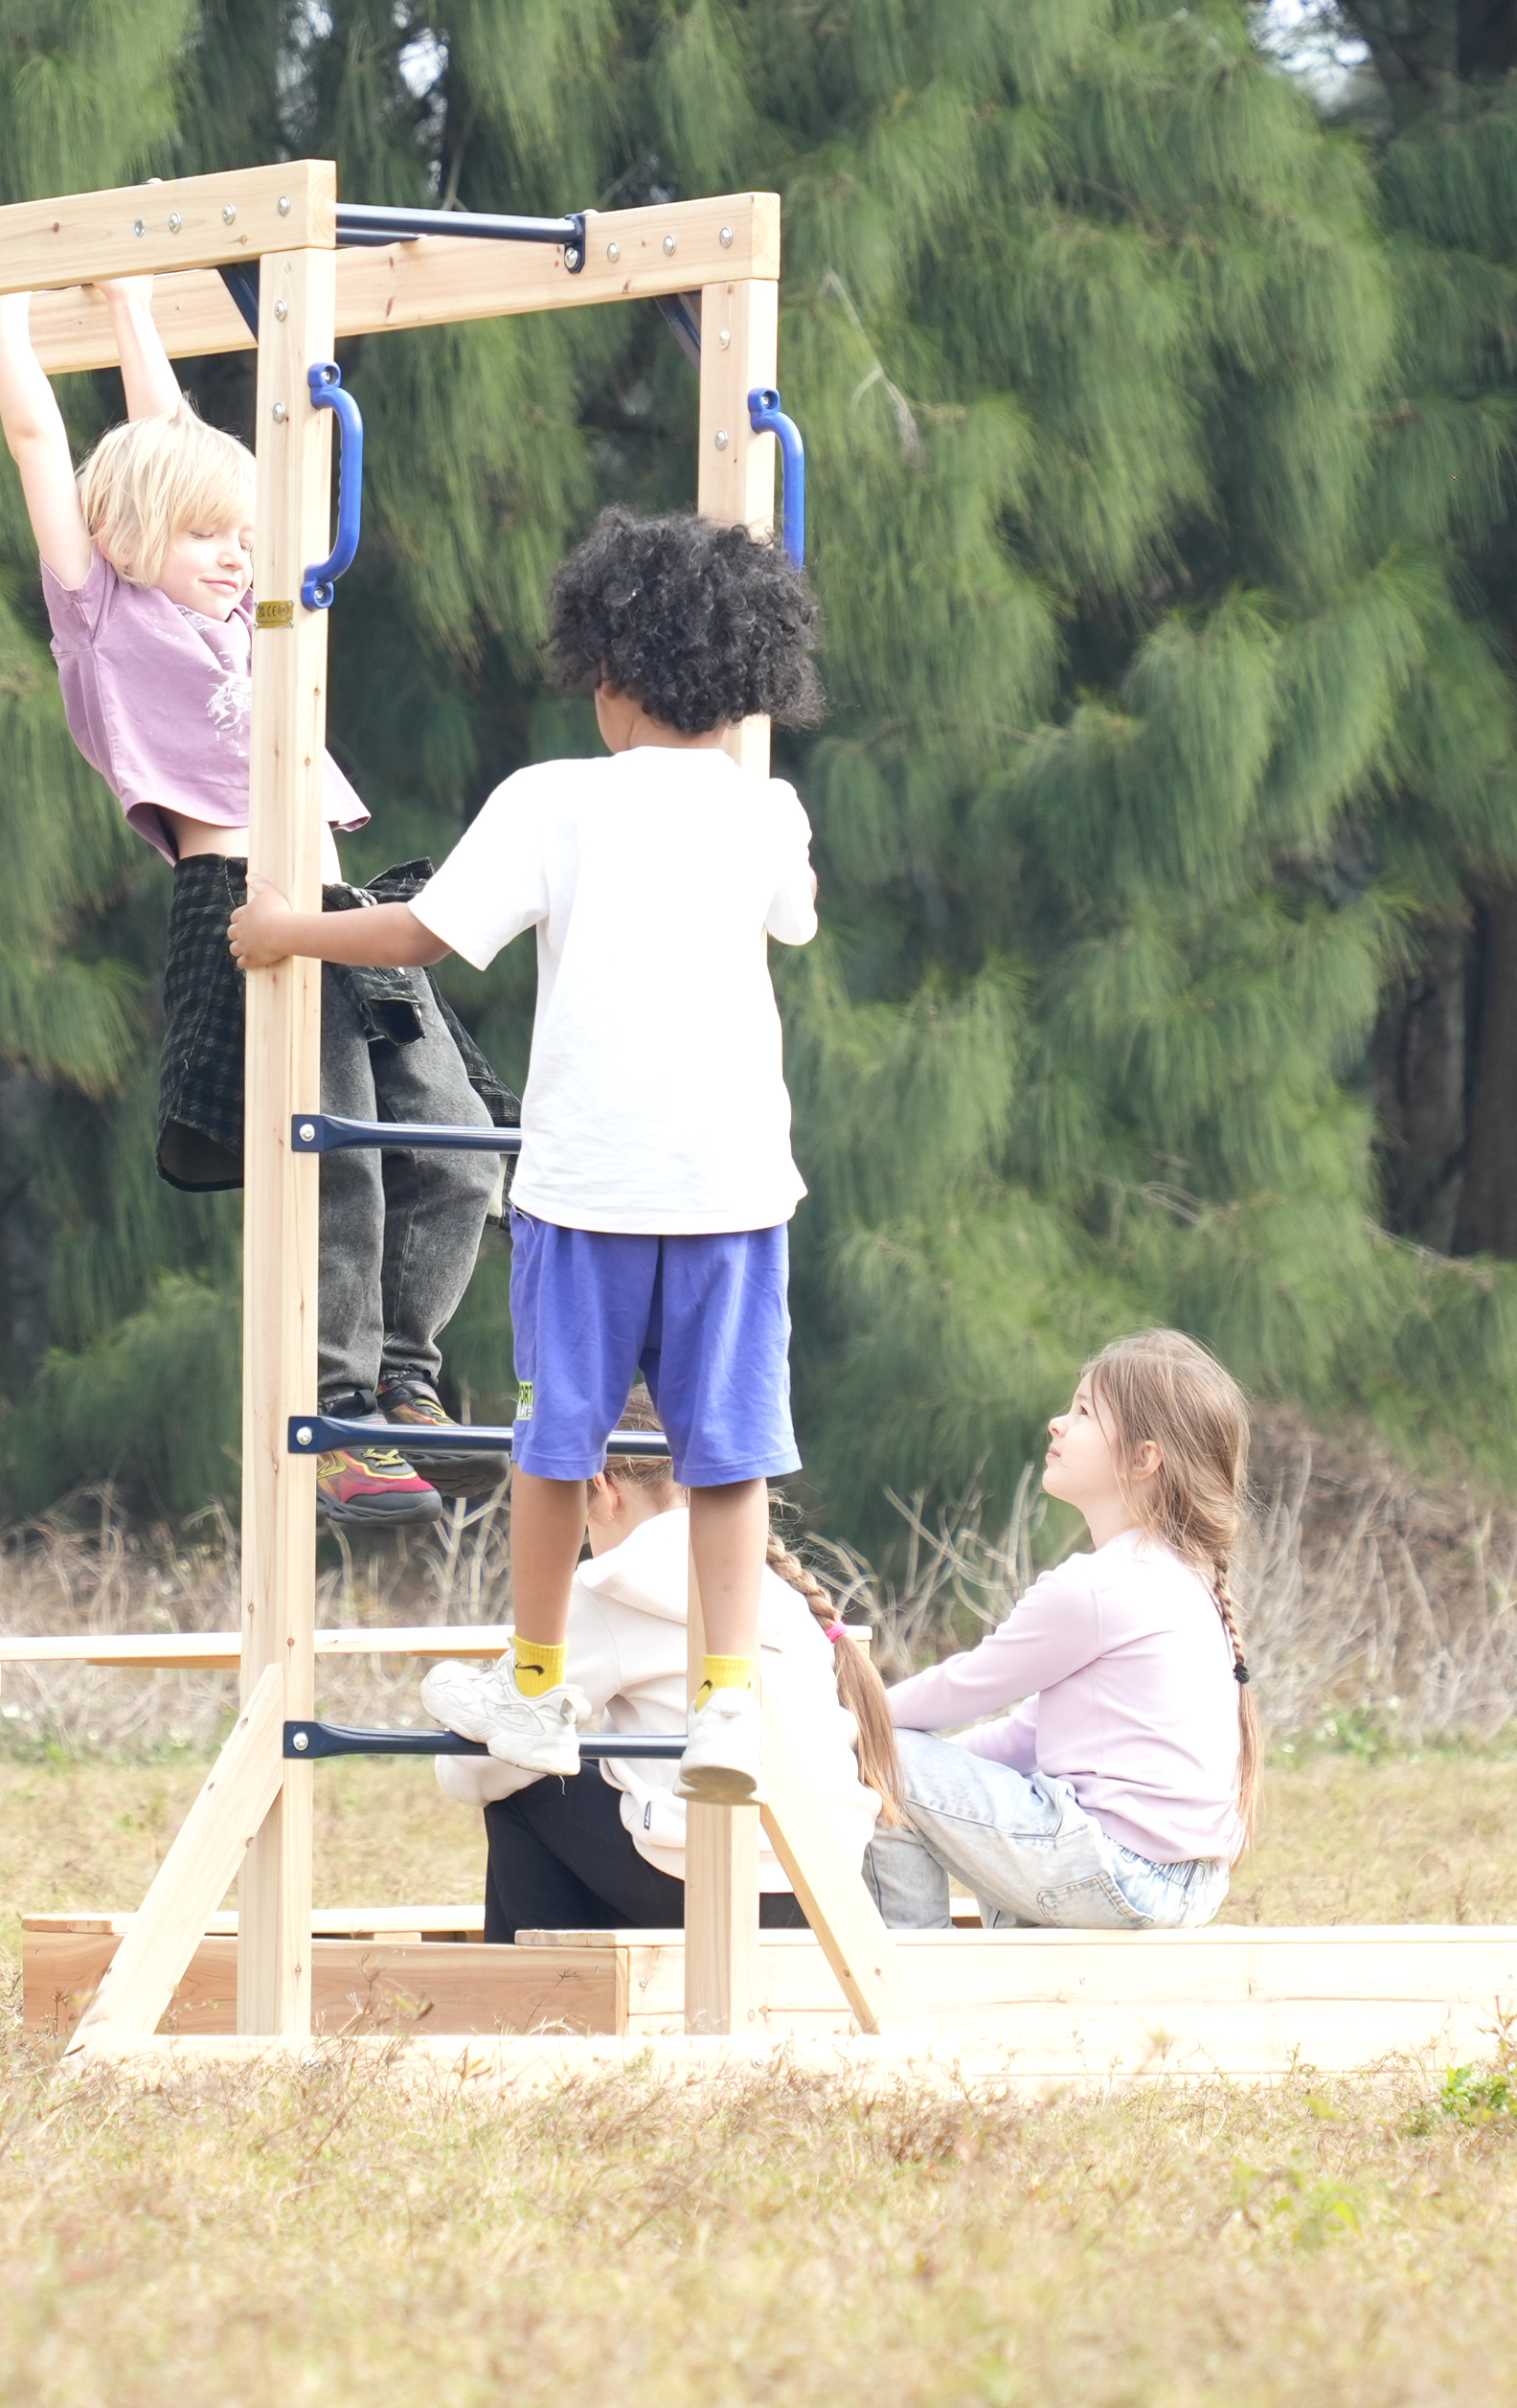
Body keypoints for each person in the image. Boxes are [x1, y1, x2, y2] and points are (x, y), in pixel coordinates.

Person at [232, 503, 826, 1801]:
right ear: (745, 687)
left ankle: (539, 1685)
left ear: (606, 681)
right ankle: (730, 1699)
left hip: (588, 1189)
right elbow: (794, 918)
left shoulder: (556, 801)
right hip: (730, 1189)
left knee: (559, 1443)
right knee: (726, 1452)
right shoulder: (765, 811)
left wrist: (287, 928)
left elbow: (425, 935)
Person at [0, 281, 506, 1531]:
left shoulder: (256, 619)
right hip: (246, 901)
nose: (240, 556)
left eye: (248, 537)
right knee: (337, 1168)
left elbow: (167, 426)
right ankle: (337, 1422)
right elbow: (44, 448)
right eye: (211, 539)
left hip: (349, 906)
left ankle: (405, 1380)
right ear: (122, 544)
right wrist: (3, 307)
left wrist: (128, 303)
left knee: (453, 1150)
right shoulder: (103, 621)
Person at [436, 1405, 903, 1939]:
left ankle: (542, 2004)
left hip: (725, 1884)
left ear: (601, 1485)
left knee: (524, 1789)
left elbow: (476, 1772)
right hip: (827, 1881)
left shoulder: (614, 1579)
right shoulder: (773, 1584)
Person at [863, 1328, 1263, 1932]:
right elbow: (1026, 1738)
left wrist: (852, 1722)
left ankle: (918, 1967)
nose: (1057, 1422)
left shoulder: (1099, 1587)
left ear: (1142, 1458)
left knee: (881, 1757)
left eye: (1082, 1412)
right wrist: (933, 1779)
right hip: (1180, 1885)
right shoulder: (1180, 1578)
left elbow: (963, 1689)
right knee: (902, 1763)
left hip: (1117, 1873)